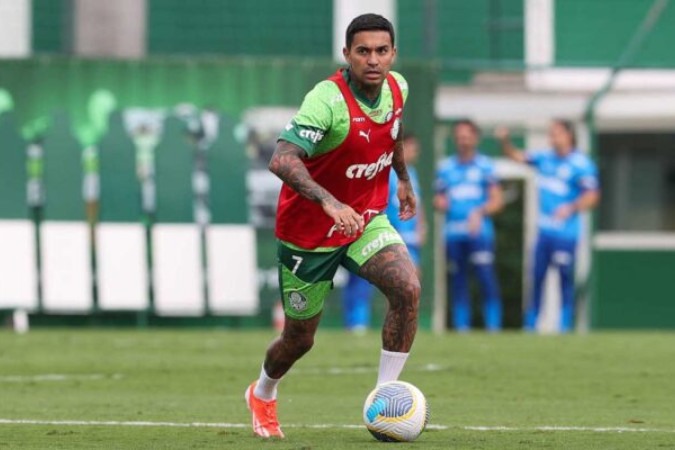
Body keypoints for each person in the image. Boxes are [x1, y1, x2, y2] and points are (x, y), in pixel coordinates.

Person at [244, 14, 420, 439]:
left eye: (381, 51)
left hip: (364, 220)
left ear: (393, 54)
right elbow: (281, 159)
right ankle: (262, 392)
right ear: (347, 55)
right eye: (363, 51)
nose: (373, 60)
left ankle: (385, 401)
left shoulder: (398, 88)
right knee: (299, 339)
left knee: (407, 288)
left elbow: (392, 133)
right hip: (309, 234)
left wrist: (404, 181)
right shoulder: (327, 100)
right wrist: (328, 201)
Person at [495, 120, 600, 332]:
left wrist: (571, 207)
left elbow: (592, 196)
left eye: (557, 133)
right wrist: (505, 141)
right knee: (537, 280)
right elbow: (517, 156)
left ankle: (564, 326)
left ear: (569, 135)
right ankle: (531, 325)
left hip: (566, 234)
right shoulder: (544, 159)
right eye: (550, 133)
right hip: (544, 233)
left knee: (564, 281)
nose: (552, 137)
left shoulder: (581, 164)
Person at [342, 133, 426, 333]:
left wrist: (422, 226)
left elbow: (417, 204)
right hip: (384, 236)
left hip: (409, 238)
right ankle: (357, 323)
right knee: (365, 279)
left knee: (409, 281)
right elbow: (380, 205)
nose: (415, 152)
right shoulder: (385, 173)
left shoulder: (411, 173)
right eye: (410, 147)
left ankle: (399, 325)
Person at [434, 119, 504, 332]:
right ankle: (461, 327)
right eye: (459, 137)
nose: (463, 141)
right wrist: (440, 202)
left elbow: (497, 201)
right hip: (453, 234)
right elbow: (437, 198)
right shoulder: (445, 168)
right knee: (458, 281)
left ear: (475, 138)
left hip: (479, 233)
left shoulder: (485, 167)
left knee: (486, 278)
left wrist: (480, 212)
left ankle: (493, 327)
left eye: (467, 136)